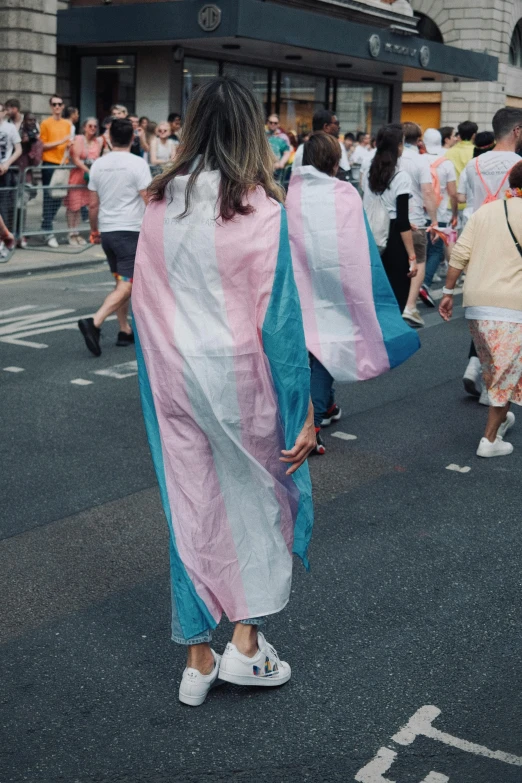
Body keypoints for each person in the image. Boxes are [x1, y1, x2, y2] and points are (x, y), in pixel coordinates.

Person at [132, 76, 315, 707]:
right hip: (241, 379)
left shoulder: (158, 202)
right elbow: (282, 324)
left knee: (190, 504)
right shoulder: (262, 211)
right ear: (251, 134)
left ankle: (196, 658)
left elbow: (144, 300)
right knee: (256, 502)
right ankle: (243, 644)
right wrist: (304, 410)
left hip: (171, 378)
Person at [287, 131, 419, 454]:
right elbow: (356, 241)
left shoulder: (290, 194)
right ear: (334, 163)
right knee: (328, 343)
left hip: (301, 281)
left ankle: (326, 407)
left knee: (312, 343)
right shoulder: (344, 193)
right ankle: (314, 421)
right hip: (338, 280)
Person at [439, 160, 522, 458]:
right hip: (512, 307)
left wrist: (448, 292)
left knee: (499, 370)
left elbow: (460, 253)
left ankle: (501, 422)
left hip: (476, 306)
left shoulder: (485, 211)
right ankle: (489, 440)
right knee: (505, 374)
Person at [458, 109, 522, 399]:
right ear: (517, 131)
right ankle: (491, 388)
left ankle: (475, 364)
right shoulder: (519, 164)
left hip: (476, 241)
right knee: (506, 318)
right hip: (509, 242)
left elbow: (462, 199)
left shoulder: (473, 164)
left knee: (486, 312)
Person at [78, 118, 151, 355]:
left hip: (108, 231)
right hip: (129, 231)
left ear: (108, 139)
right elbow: (147, 199)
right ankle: (95, 322)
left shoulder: (98, 164)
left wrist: (94, 230)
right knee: (128, 285)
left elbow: (92, 205)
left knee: (120, 281)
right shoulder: (137, 164)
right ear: (133, 138)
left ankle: (124, 330)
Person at [363, 123, 417, 313]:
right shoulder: (401, 177)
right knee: (396, 296)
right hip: (394, 240)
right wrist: (412, 255)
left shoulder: (369, 171)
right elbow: (402, 221)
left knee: (375, 294)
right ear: (397, 147)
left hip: (372, 235)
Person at [399, 122, 438, 326]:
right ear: (419, 140)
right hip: (415, 218)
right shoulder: (420, 160)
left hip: (394, 218)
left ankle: (396, 304)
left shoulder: (388, 156)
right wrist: (434, 220)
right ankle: (410, 306)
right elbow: (428, 192)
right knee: (419, 260)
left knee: (396, 261)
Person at [419, 128, 458, 307]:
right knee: (435, 251)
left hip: (419, 212)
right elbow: (452, 193)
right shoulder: (447, 163)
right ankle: (425, 283)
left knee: (419, 250)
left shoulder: (418, 160)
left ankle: (413, 284)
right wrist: (455, 213)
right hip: (441, 213)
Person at [39, 95, 72, 247]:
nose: (57, 107)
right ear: (51, 107)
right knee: (48, 197)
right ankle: (48, 230)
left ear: (63, 106)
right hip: (49, 163)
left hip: (63, 163)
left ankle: (46, 224)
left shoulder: (67, 124)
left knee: (59, 196)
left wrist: (69, 145)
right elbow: (42, 145)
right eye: (54, 104)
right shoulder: (45, 123)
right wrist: (60, 142)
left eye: (59, 104)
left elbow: (69, 142)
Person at [64, 118, 102, 245]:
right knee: (73, 206)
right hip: (77, 176)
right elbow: (75, 159)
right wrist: (88, 170)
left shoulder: (97, 141)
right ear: (84, 127)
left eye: (95, 126)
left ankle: (77, 233)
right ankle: (71, 233)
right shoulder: (79, 139)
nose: (92, 128)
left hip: (90, 180)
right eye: (90, 126)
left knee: (81, 206)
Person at [15, 113, 43, 248]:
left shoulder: (38, 142)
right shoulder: (17, 137)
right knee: (10, 208)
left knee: (21, 207)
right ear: (24, 121)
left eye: (33, 120)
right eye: (28, 120)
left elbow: (36, 161)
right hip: (13, 177)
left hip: (27, 178)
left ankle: (20, 234)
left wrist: (30, 146)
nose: (31, 122)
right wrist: (21, 144)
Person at [0, 101, 22, 257]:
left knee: (3, 206)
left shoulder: (10, 128)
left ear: (4, 113)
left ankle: (3, 241)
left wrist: (7, 163)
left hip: (4, 171)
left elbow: (18, 149)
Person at [266, 114, 291, 183]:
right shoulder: (263, 135)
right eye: (271, 122)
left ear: (278, 124)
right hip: (263, 171)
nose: (273, 124)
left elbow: (287, 152)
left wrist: (281, 163)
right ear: (267, 123)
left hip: (277, 172)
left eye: (275, 123)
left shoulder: (282, 137)